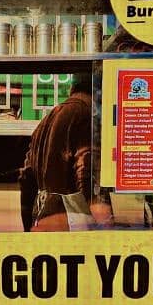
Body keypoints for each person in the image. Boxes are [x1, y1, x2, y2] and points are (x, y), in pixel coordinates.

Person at [19, 73, 113, 231]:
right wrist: (100, 210)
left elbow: (27, 178)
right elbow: (86, 168)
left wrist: (29, 225)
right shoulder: (85, 115)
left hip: (44, 216)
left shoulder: (47, 119)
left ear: (72, 88)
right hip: (71, 221)